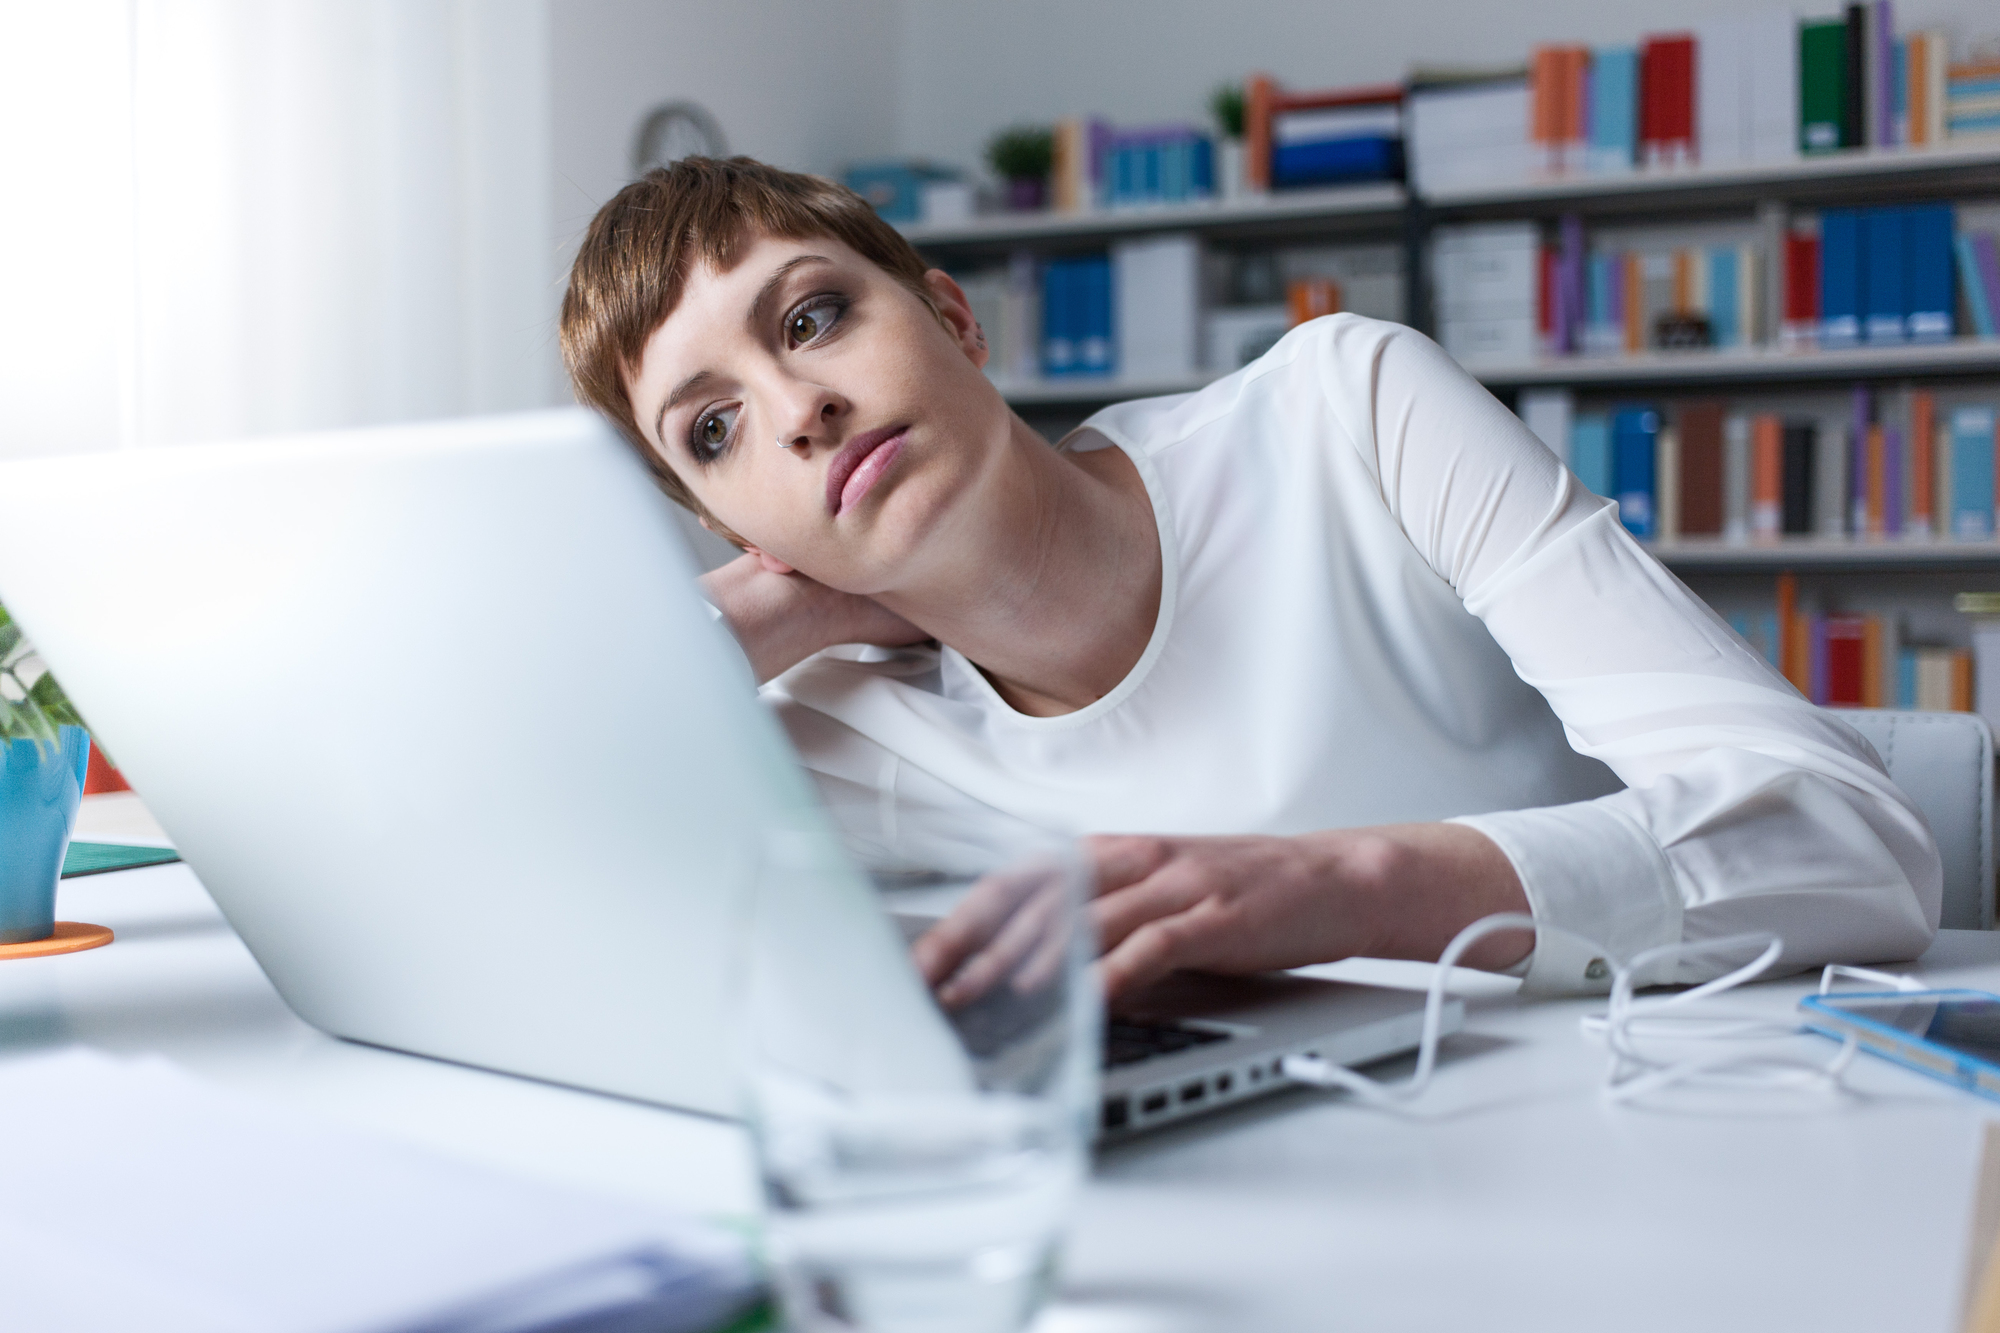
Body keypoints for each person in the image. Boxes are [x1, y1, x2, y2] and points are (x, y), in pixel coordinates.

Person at [560, 156, 1938, 999]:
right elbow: (470, 832)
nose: (798, 406)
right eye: (714, 429)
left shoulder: (1349, 414)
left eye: (812, 317)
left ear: (952, 318)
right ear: (724, 518)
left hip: (1670, 1114)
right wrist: (759, 606)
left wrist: (1367, 885)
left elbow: (1857, 841)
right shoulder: (836, 724)